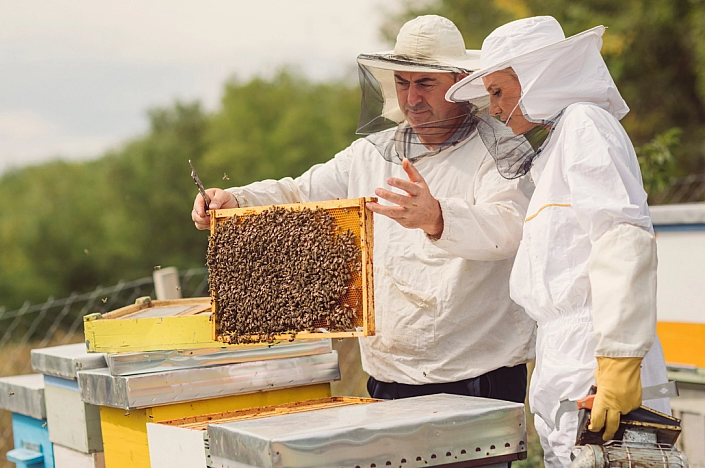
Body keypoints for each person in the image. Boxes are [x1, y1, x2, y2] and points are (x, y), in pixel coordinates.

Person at [192, 15, 536, 404]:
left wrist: (438, 217)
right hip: (388, 375)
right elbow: (300, 192)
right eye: (402, 83)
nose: (411, 98)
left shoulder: (501, 150)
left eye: (425, 83)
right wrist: (235, 200)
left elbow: (510, 229)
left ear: (459, 83)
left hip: (477, 374)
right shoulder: (370, 154)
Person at [445, 16, 671, 467]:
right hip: (562, 352)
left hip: (594, 350)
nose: (492, 108)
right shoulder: (556, 147)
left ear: (538, 80)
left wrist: (619, 359)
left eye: (497, 91)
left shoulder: (587, 125)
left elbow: (621, 236)